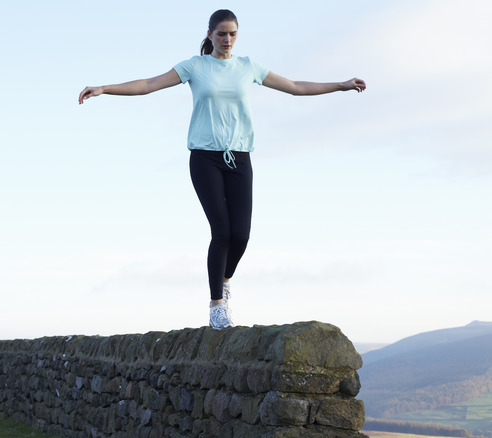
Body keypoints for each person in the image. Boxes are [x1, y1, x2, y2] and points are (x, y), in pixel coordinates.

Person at [78, 9, 366, 330]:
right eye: (221, 34)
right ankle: (217, 305)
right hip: (204, 158)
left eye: (232, 34)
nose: (227, 40)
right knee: (223, 232)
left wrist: (340, 85)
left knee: (241, 235)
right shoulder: (195, 67)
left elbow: (296, 86)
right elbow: (148, 84)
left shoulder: (248, 67)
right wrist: (105, 88)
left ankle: (224, 281)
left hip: (240, 158)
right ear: (210, 34)